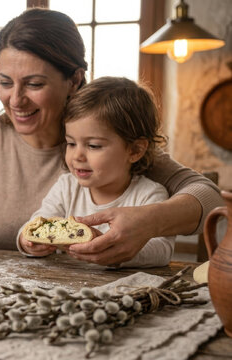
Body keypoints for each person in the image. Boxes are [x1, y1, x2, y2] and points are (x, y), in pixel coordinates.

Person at [0, 8, 222, 266]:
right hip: (16, 296)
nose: (15, 100)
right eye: (5, 82)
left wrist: (149, 222)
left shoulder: (109, 138)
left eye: (33, 84)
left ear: (74, 80)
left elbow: (208, 197)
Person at [17, 77, 174, 268]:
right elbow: (37, 223)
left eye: (93, 145)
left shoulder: (149, 195)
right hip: (66, 287)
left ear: (134, 150)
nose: (77, 156)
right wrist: (28, 243)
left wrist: (121, 251)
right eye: (71, 143)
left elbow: (162, 250)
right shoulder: (66, 187)